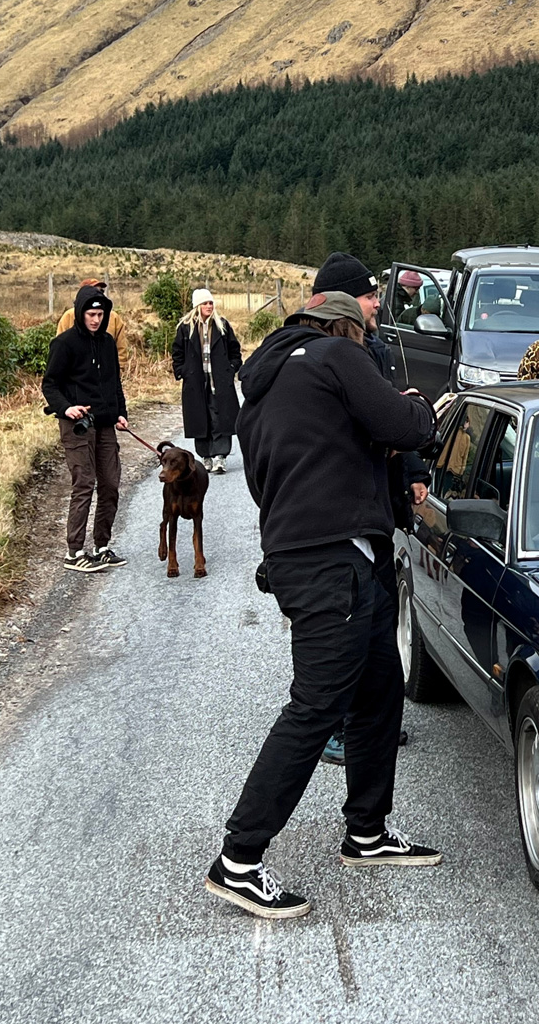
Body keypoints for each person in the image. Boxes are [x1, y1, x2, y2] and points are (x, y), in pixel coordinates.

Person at [206, 290, 440, 921]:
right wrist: (416, 406)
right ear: (344, 326)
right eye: (364, 330)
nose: (367, 340)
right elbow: (405, 427)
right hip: (331, 563)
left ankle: (366, 832)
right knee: (314, 708)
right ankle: (238, 860)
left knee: (378, 691)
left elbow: (274, 479)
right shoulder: (338, 354)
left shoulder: (265, 389)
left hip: (315, 557)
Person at [312, 253, 427, 766]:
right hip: (337, 522)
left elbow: (394, 414)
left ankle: (367, 724)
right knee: (338, 632)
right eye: (368, 295)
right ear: (341, 303)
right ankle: (335, 727)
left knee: (375, 622)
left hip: (377, 509)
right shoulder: (326, 360)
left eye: (376, 293)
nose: (377, 301)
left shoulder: (375, 348)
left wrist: (415, 473)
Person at [41, 286, 129, 573]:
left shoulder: (107, 342)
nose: (96, 319)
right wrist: (66, 407)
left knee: (110, 484)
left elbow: (115, 383)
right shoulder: (64, 344)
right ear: (80, 313)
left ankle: (101, 546)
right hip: (77, 425)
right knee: (84, 483)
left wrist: (121, 413)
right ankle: (74, 551)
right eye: (91, 314)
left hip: (106, 424)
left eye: (100, 314)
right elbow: (50, 384)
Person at [172, 288, 243, 473]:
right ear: (197, 306)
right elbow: (177, 352)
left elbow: (235, 350)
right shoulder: (185, 327)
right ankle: (205, 457)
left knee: (219, 417)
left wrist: (231, 368)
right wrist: (182, 371)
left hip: (218, 381)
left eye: (211, 303)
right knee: (200, 418)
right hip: (196, 381)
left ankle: (220, 457)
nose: (209, 306)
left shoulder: (222, 325)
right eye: (205, 303)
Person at [56, 278, 130, 366]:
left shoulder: (114, 318)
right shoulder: (68, 316)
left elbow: (121, 350)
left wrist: (117, 372)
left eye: (101, 291)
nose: (96, 320)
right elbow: (60, 351)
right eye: (91, 314)